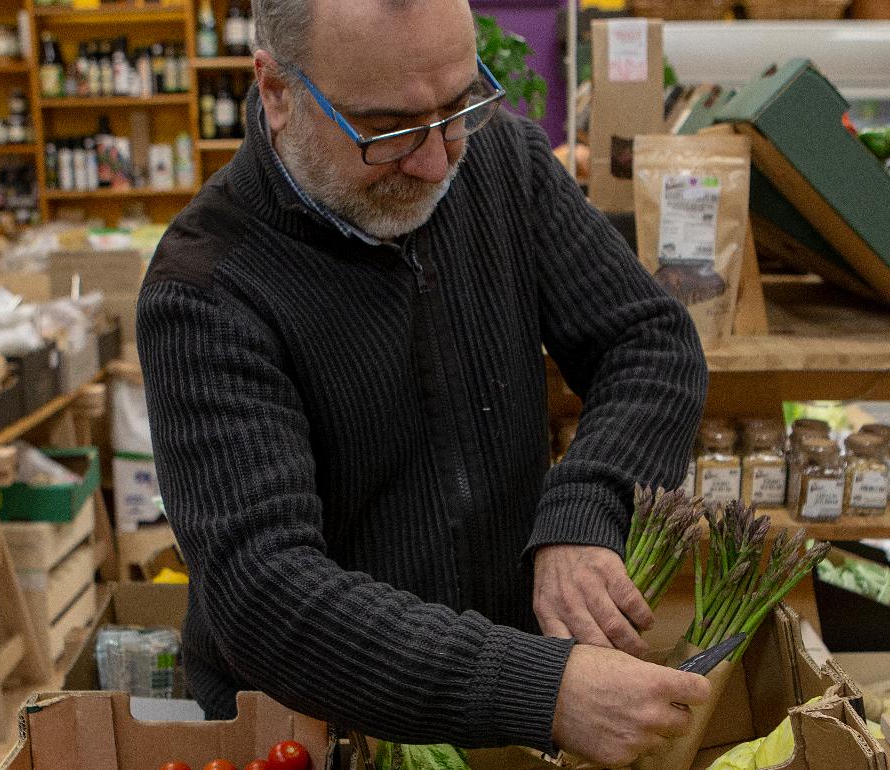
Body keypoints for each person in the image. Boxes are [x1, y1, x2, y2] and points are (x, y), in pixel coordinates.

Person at [137, 0, 711, 765]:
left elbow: (649, 339)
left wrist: (583, 507)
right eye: (386, 130)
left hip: (507, 702)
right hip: (311, 731)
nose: (438, 161)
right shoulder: (206, 290)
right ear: (277, 93)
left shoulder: (500, 159)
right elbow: (265, 592)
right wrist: (538, 689)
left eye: (458, 106)